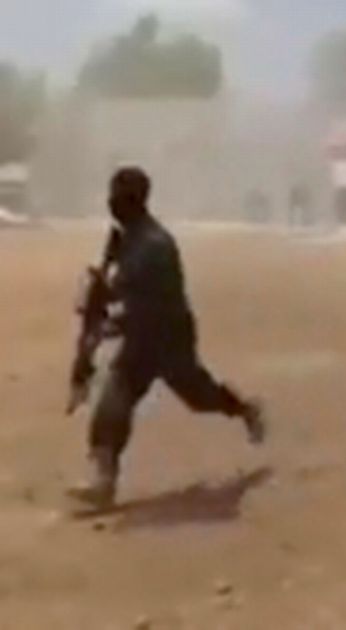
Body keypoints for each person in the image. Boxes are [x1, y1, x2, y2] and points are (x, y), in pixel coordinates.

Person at [68, 167, 265, 508]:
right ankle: (104, 481)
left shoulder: (155, 245)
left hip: (170, 336)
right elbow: (118, 294)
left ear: (136, 200)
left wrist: (107, 303)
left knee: (200, 397)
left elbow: (147, 300)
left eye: (120, 196)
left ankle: (245, 409)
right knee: (114, 403)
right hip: (141, 337)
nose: (113, 202)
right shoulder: (127, 239)